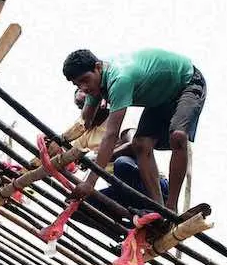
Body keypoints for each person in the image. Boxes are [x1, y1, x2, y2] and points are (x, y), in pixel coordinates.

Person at [62, 48, 206, 212]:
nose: (84, 87)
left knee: (178, 136)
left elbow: (111, 134)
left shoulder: (120, 79)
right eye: (77, 84)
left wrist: (90, 182)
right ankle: (159, 208)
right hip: (161, 99)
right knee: (140, 144)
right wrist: (59, 140)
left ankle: (171, 207)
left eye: (85, 80)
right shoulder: (95, 86)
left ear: (98, 67)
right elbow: (84, 122)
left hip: (186, 83)